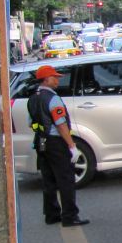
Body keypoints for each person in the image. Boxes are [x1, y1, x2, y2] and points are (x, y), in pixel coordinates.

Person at [27, 66, 89, 227]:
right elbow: (61, 125)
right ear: (46, 79)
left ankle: (51, 214)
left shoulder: (32, 98)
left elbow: (31, 123)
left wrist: (43, 132)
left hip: (41, 141)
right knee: (66, 179)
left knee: (48, 179)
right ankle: (70, 216)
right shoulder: (53, 99)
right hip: (56, 142)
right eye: (54, 77)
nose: (57, 80)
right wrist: (72, 146)